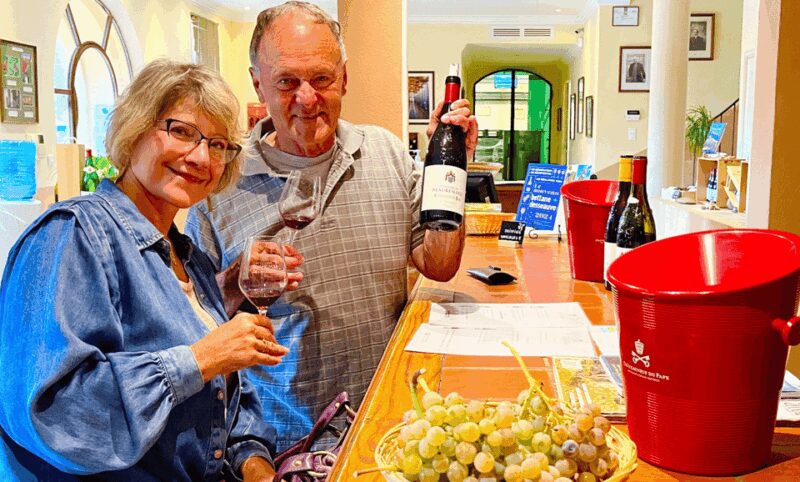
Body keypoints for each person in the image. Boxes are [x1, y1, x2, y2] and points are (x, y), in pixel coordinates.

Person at [185, 1, 477, 452]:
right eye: (286, 81)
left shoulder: (387, 154)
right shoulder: (216, 185)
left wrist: (450, 168)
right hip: (284, 447)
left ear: (344, 77)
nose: (306, 98)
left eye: (321, 78)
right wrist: (234, 282)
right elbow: (190, 331)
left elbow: (438, 265)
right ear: (258, 83)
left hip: (392, 424)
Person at [0, 59, 299, 481]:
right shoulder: (73, 234)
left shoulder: (190, 258)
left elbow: (225, 402)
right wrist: (201, 357)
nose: (200, 157)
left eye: (217, 145)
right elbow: (57, 415)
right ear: (136, 128)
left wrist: (255, 466)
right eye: (181, 132)